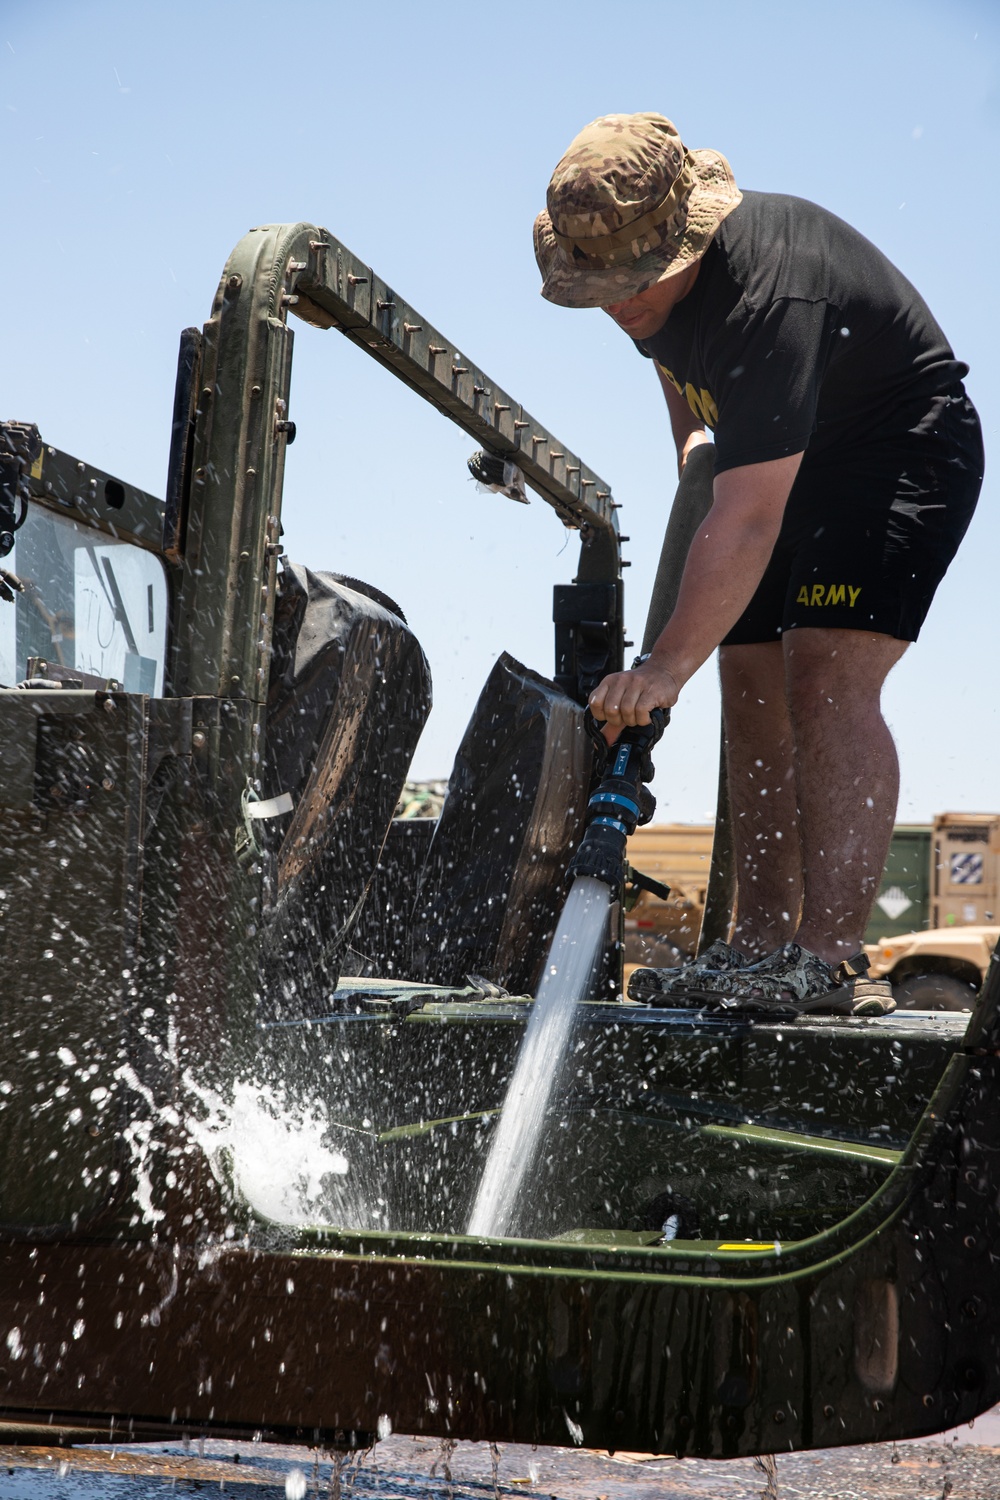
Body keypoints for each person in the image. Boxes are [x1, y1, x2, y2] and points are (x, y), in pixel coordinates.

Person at [534, 112, 984, 1016]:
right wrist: (694, 445)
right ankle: (758, 942)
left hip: (896, 449)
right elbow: (680, 370)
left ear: (684, 238)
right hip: (778, 460)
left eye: (635, 284)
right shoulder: (636, 273)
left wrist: (661, 666)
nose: (622, 303)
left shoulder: (773, 298)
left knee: (822, 670)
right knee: (747, 678)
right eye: (604, 285)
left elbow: (745, 523)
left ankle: (823, 957)